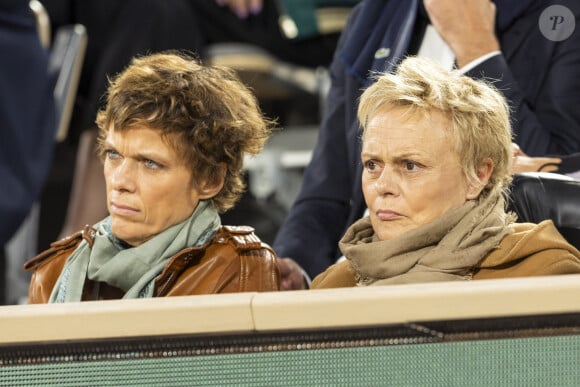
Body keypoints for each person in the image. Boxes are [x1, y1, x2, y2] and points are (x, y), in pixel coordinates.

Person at [273, 0, 580, 280]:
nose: (385, 185)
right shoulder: (373, 15)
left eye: (409, 165)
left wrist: (477, 49)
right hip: (361, 270)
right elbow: (327, 188)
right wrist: (295, 269)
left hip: (481, 265)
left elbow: (560, 185)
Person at [24, 51, 280, 303]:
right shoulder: (53, 272)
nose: (120, 182)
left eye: (150, 163)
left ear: (210, 180)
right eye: (113, 154)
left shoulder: (237, 270)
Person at [310, 56, 580, 288]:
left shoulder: (542, 273)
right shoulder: (332, 285)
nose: (383, 186)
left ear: (478, 175)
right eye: (372, 165)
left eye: (410, 165)